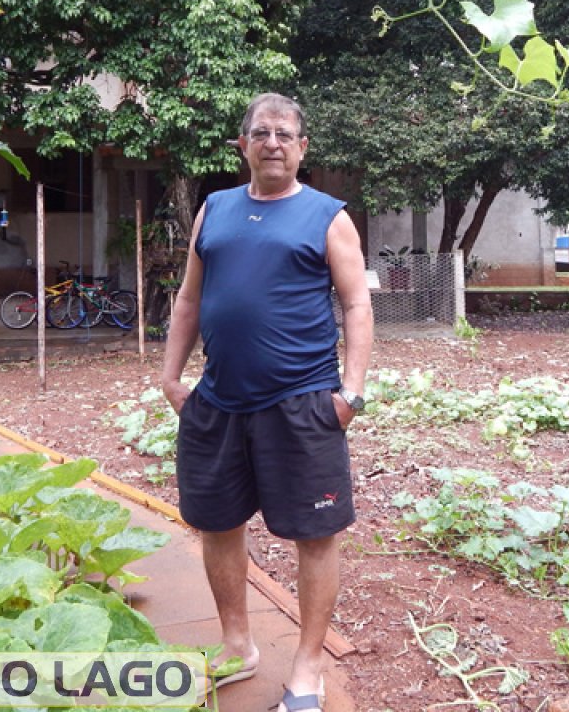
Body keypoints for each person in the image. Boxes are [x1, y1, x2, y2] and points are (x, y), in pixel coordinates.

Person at [160, 93, 373, 712]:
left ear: (303, 148)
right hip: (218, 401)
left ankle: (307, 668)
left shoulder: (328, 216)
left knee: (316, 534)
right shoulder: (215, 210)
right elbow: (190, 300)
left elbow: (357, 305)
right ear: (243, 145)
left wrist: (351, 394)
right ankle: (236, 644)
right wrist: (172, 378)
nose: (272, 142)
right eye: (261, 132)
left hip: (302, 403)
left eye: (285, 133)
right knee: (217, 522)